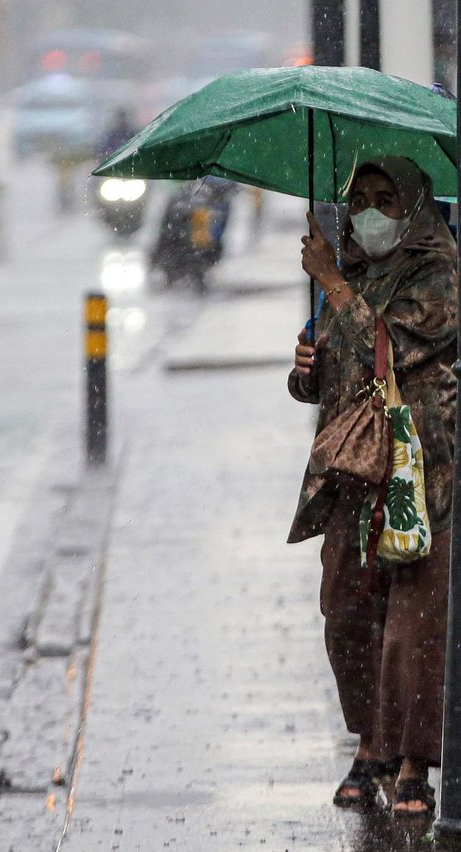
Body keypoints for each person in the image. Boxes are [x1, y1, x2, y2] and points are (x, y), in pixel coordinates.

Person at [288, 156, 457, 816]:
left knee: (412, 624)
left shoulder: (438, 269)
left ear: (414, 205)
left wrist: (331, 283)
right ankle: (371, 742)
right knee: (349, 614)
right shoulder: (347, 269)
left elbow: (392, 352)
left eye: (386, 198)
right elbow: (330, 375)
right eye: (359, 198)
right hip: (352, 471)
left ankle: (413, 762)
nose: (369, 211)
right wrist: (306, 366)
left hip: (421, 470)